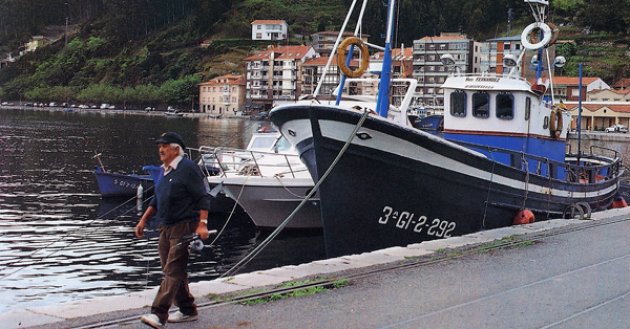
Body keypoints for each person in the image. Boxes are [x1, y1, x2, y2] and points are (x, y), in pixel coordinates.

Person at [135, 132, 211, 329]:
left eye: (165, 145)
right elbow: (157, 199)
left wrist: (202, 223)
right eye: (159, 145)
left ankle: (158, 314)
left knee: (173, 269)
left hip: (184, 226)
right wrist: (143, 220)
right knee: (171, 270)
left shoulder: (188, 168)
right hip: (165, 227)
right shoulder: (166, 170)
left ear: (176, 149)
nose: (160, 149)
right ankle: (187, 309)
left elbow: (202, 197)